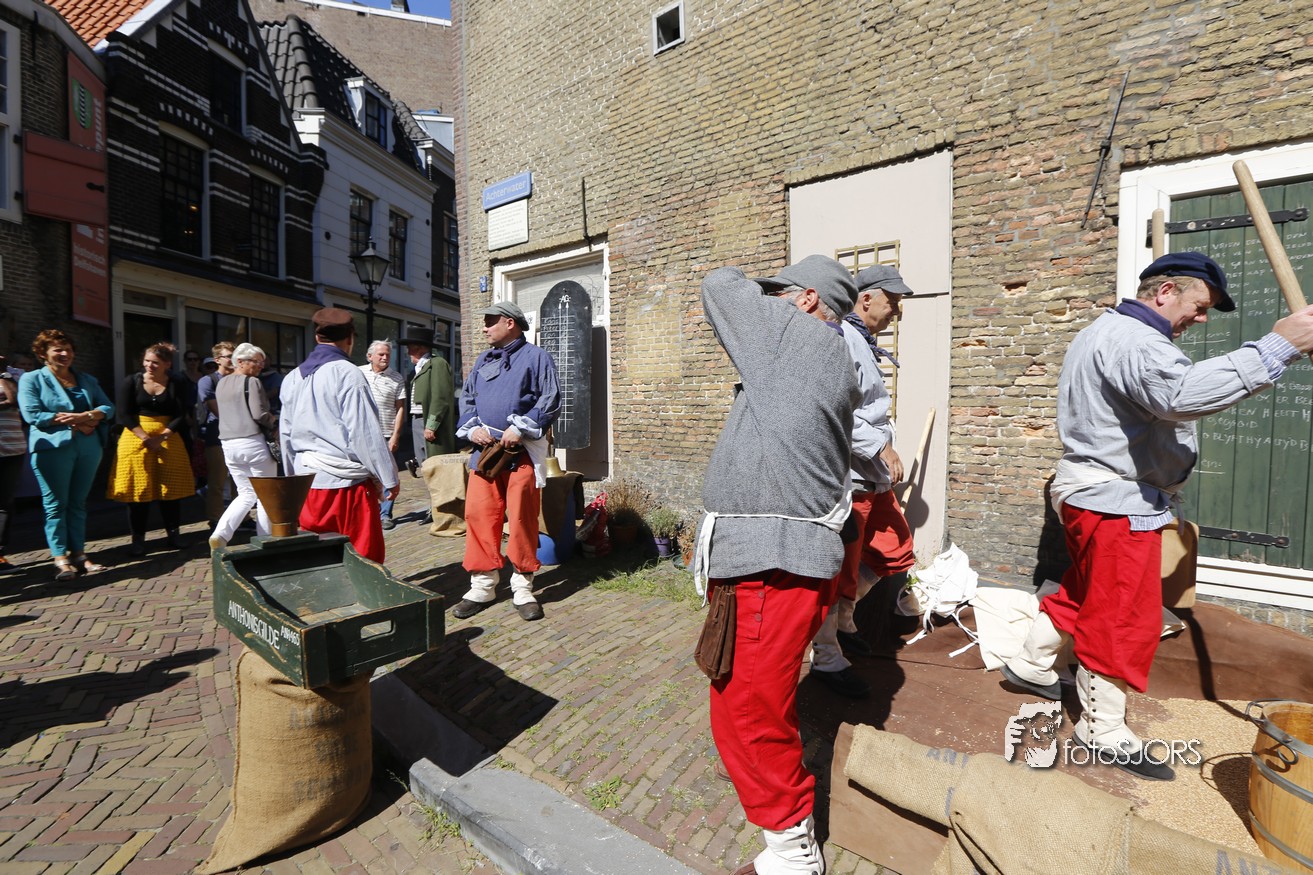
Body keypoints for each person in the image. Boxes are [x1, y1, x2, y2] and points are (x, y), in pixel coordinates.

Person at [1002, 252, 1313, 781]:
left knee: (1089, 588)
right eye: (1200, 305)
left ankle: (1031, 662)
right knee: (1123, 613)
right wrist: (1277, 346)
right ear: (1166, 291)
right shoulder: (1135, 340)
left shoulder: (1105, 330)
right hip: (1115, 499)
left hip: (1093, 494)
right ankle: (1101, 728)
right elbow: (1181, 394)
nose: (1202, 318)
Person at [693, 254, 859, 875]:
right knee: (757, 699)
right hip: (774, 559)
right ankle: (784, 827)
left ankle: (792, 854)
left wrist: (759, 287)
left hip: (771, 563)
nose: (768, 304)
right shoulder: (823, 352)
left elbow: (719, 285)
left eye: (778, 293)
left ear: (807, 299)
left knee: (747, 710)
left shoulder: (796, 335)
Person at [809, 265, 918, 700]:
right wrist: (880, 448)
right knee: (836, 576)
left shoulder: (863, 341)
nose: (897, 311)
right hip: (852, 478)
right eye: (893, 301)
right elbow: (835, 410)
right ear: (867, 298)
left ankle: (844, 620)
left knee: (895, 550)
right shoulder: (843, 339)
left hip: (873, 479)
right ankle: (827, 657)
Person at [451, 302, 560, 622]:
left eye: (490, 321)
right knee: (479, 515)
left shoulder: (537, 357)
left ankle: (523, 587)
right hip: (485, 455)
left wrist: (520, 428)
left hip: (519, 454)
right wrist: (472, 428)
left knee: (523, 519)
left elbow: (550, 398)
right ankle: (483, 586)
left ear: (510, 323)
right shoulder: (483, 359)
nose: (484, 327)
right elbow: (467, 399)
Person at [279, 308, 399, 564]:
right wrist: (388, 477)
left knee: (317, 559)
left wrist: (294, 481)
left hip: (307, 481)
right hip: (346, 486)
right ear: (350, 338)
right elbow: (364, 432)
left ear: (317, 337)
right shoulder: (348, 373)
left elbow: (285, 435)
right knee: (363, 559)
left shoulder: (292, 377)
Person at [17, 329, 115, 579]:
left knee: (78, 503)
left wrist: (87, 416)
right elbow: (32, 414)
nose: (64, 354)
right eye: (57, 349)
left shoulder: (86, 379)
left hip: (89, 446)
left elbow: (108, 407)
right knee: (55, 504)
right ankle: (60, 557)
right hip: (53, 448)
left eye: (68, 349)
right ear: (43, 353)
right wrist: (78, 422)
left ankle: (79, 554)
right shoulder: (32, 379)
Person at [108, 342, 196, 556]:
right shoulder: (132, 381)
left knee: (170, 489)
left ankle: (173, 535)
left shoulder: (177, 382)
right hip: (136, 435)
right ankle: (138, 539)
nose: (149, 365)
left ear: (167, 364)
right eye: (147, 361)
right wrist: (146, 438)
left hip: (168, 436)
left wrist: (162, 436)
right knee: (139, 490)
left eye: (155, 362)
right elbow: (124, 414)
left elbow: (180, 414)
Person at [210, 343, 278, 550]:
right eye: (256, 362)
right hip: (252, 442)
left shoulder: (221, 383)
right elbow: (259, 414)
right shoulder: (252, 382)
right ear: (240, 361)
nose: (261, 366)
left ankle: (221, 533)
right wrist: (275, 422)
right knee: (266, 493)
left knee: (246, 493)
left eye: (262, 362)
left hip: (229, 444)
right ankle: (266, 539)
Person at [359, 340, 406, 530]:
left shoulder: (396, 378)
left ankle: (385, 514)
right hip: (362, 433)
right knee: (364, 473)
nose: (385, 357)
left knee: (388, 473)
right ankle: (366, 511)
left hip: (385, 433)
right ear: (370, 356)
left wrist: (395, 435)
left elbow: (400, 408)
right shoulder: (358, 373)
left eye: (388, 354)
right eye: (381, 354)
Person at [401, 327, 456, 474]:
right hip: (417, 419)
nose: (408, 351)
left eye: (409, 347)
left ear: (418, 347)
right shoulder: (419, 368)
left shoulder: (437, 364)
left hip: (427, 420)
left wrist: (431, 425)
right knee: (424, 462)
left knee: (435, 464)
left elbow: (440, 397)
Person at [197, 342, 235, 528]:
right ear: (217, 359)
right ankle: (216, 518)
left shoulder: (240, 379)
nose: (233, 359)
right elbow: (216, 409)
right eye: (229, 356)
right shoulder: (208, 381)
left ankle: (242, 518)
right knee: (217, 480)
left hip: (240, 435)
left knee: (239, 480)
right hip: (217, 434)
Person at [0, 357, 27, 573]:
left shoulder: (12, 376)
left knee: (5, 502)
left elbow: (16, 400)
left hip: (12, 448)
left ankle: (0, 555)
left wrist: (4, 374)